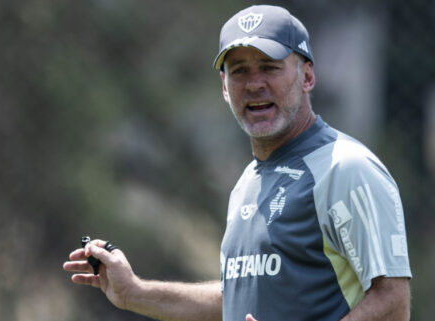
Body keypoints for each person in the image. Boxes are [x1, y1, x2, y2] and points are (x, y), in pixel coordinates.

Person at [64, 5, 412, 321]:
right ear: (225, 87)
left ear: (307, 76)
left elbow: (393, 303)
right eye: (239, 71)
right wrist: (135, 293)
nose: (255, 84)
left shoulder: (346, 168)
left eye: (270, 67)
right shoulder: (247, 182)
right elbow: (236, 299)